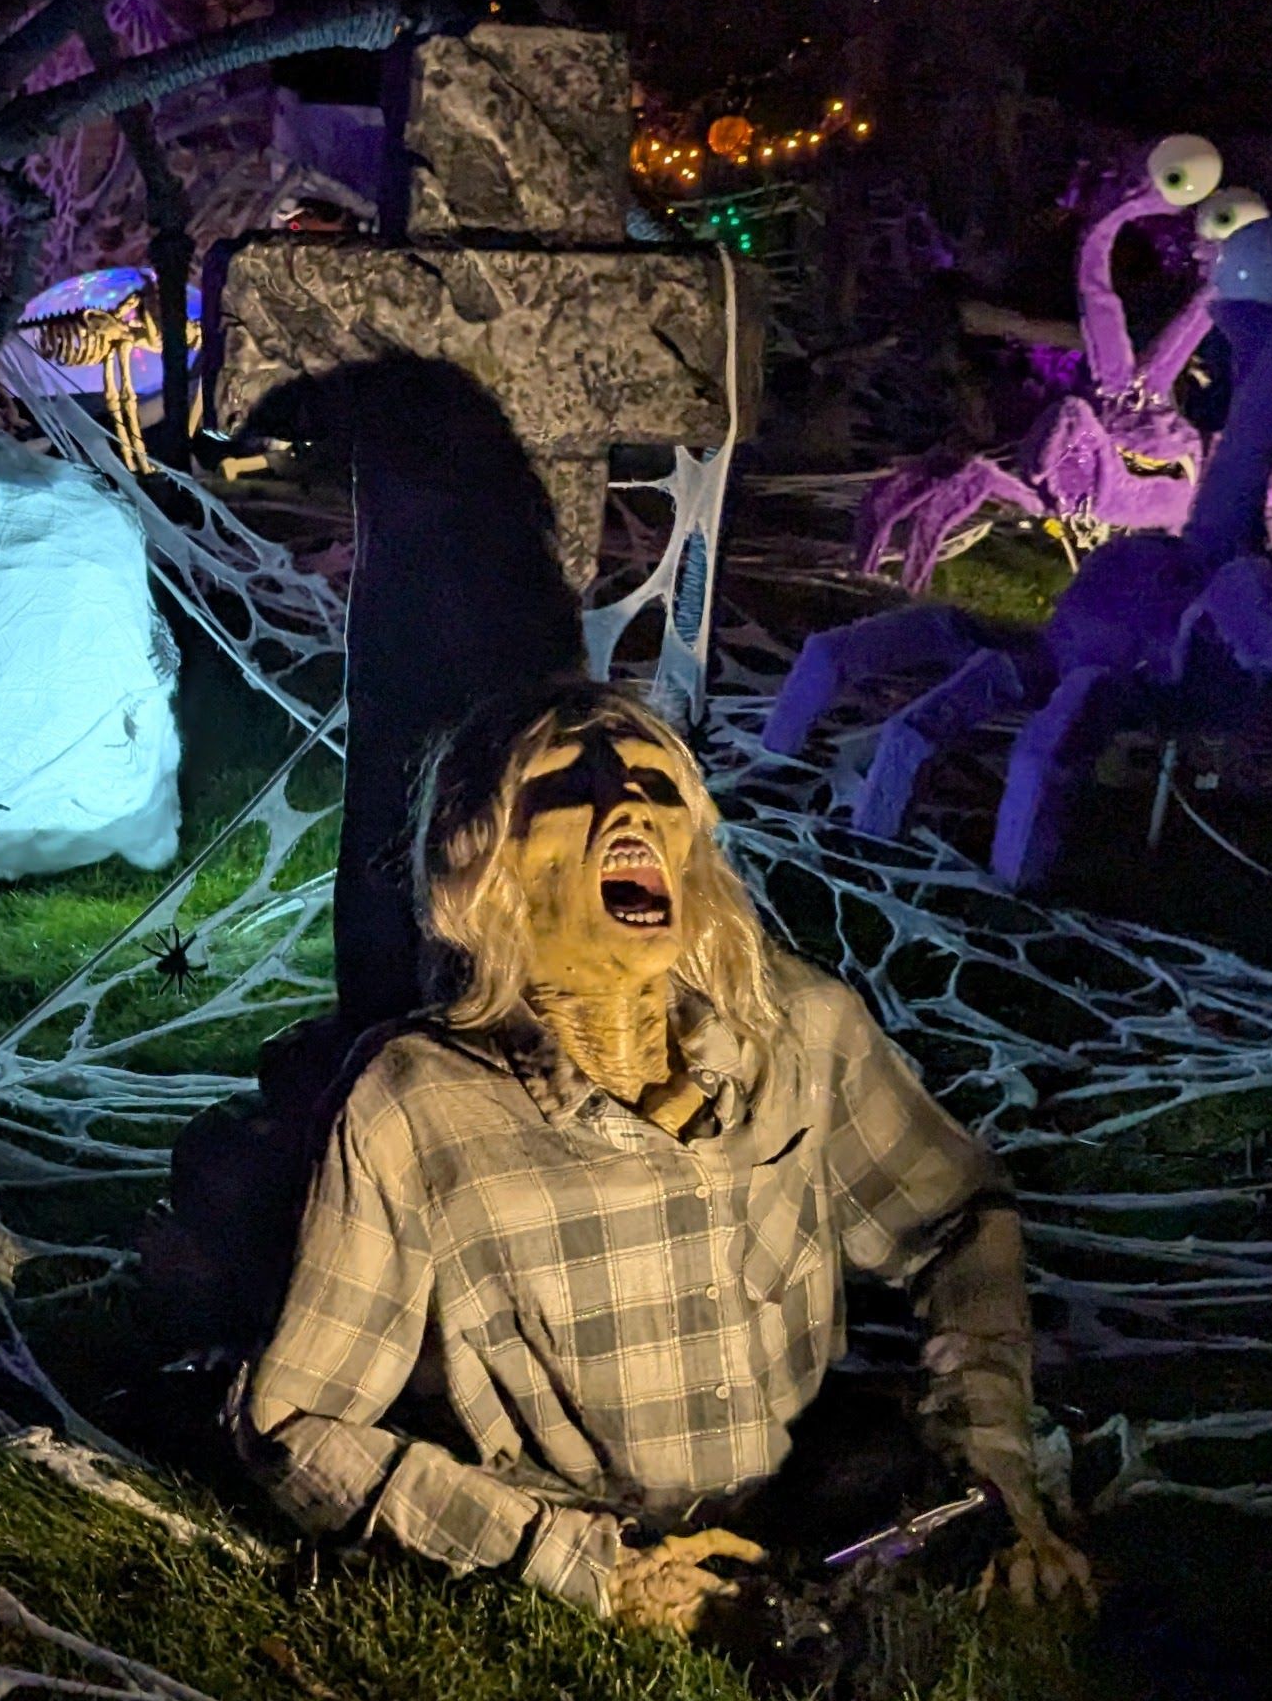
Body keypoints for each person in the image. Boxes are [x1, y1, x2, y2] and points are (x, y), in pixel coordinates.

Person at [238, 675, 1091, 1633]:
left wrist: (990, 1466)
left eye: (652, 782)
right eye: (569, 787)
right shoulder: (418, 1111)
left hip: (803, 1489)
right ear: (483, 870)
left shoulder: (797, 1032)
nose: (628, 803)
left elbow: (957, 1219)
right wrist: (566, 1561)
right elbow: (295, 1422)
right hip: (590, 1519)